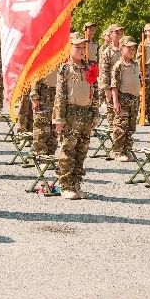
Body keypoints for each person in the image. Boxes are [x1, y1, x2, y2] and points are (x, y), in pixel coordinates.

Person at [53, 33, 97, 200]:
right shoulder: (65, 69)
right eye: (77, 47)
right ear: (70, 48)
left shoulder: (90, 68)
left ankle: (76, 183)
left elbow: (94, 93)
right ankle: (65, 185)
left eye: (83, 47)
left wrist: (94, 114)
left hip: (85, 114)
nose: (81, 50)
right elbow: (60, 95)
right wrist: (59, 118)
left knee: (81, 150)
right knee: (68, 150)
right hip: (70, 114)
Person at [109, 36, 141, 161]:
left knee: (131, 126)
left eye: (133, 48)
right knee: (120, 127)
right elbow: (114, 85)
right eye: (129, 48)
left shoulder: (136, 64)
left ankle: (127, 150)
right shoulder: (119, 65)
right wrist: (115, 102)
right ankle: (118, 152)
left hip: (134, 99)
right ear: (122, 48)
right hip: (123, 98)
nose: (132, 50)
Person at [30, 59, 61, 161]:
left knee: (54, 125)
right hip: (44, 91)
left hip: (58, 92)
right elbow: (35, 74)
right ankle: (40, 155)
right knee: (41, 125)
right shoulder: (44, 53)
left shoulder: (64, 51)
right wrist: (34, 97)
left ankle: (50, 153)